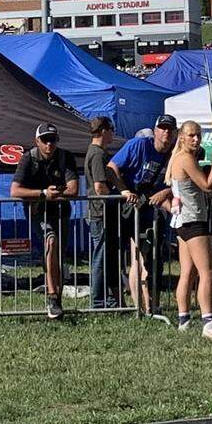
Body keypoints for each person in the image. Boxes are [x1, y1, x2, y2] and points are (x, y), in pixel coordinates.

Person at [165, 121, 212, 339]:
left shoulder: (178, 157)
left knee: (188, 272)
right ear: (182, 137)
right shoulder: (185, 158)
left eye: (198, 135)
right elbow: (208, 185)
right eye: (191, 135)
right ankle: (209, 322)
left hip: (183, 221)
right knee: (208, 272)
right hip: (193, 221)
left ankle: (184, 319)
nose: (196, 139)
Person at [108, 114, 177, 313]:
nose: (166, 132)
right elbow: (111, 167)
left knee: (154, 259)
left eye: (170, 129)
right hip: (131, 209)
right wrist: (124, 190)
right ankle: (142, 307)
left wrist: (166, 193)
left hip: (154, 211)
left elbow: (182, 179)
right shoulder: (138, 145)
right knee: (137, 257)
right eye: (162, 128)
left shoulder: (174, 153)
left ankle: (151, 306)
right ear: (155, 131)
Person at [10, 123, 79, 320]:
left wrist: (53, 195)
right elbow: (15, 191)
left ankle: (57, 301)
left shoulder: (65, 157)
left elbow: (74, 189)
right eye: (45, 140)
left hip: (61, 212)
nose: (49, 144)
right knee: (51, 241)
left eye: (53, 140)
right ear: (37, 141)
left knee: (59, 255)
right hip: (38, 212)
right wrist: (42, 194)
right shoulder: (28, 158)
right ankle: (52, 298)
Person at [84, 116, 134, 309]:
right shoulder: (97, 154)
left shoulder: (100, 152)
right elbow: (99, 187)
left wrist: (122, 189)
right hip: (100, 213)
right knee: (100, 258)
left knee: (108, 258)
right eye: (111, 128)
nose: (113, 132)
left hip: (103, 213)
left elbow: (111, 175)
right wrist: (116, 197)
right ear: (103, 130)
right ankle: (97, 301)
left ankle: (111, 299)